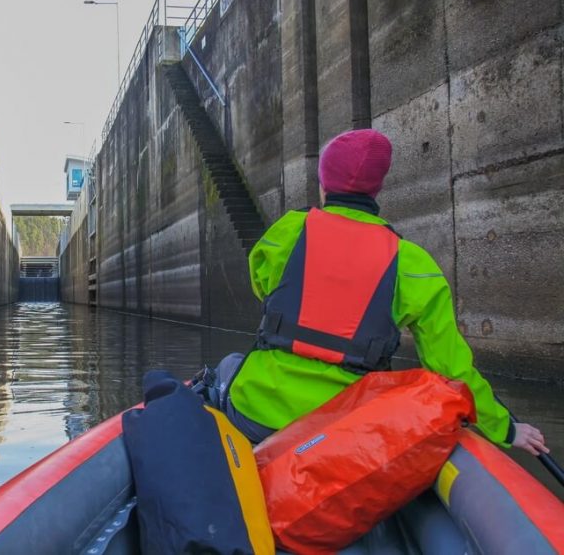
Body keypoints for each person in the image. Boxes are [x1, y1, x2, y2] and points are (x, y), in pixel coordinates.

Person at [202, 129, 548, 456]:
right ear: (376, 189)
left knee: (228, 367)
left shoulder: (287, 232)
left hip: (257, 415)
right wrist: (506, 428)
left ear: (324, 185)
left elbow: (263, 288)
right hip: (345, 431)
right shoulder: (412, 263)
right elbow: (451, 368)